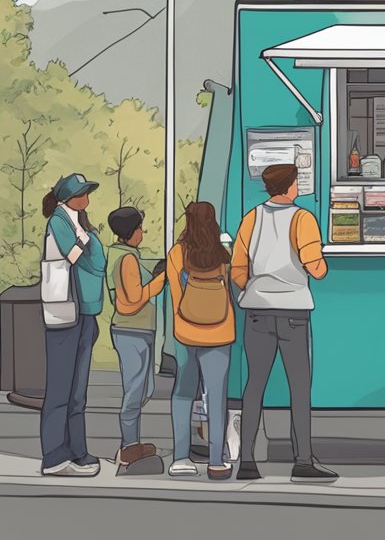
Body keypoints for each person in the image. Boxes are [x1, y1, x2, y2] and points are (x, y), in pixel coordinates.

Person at [232, 164, 334, 483]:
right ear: (290, 186)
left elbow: (237, 266)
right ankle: (302, 460)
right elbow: (315, 267)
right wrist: (321, 266)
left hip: (258, 311)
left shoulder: (252, 217)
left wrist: (252, 287)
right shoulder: (302, 219)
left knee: (254, 385)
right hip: (293, 311)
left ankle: (247, 460)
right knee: (299, 387)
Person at [39, 174, 107, 477]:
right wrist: (85, 238)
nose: (87, 197)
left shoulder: (79, 221)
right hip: (65, 312)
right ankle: (54, 454)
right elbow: (74, 256)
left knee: (78, 389)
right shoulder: (59, 222)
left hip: (84, 312)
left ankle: (78, 450)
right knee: (60, 388)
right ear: (69, 197)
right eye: (82, 193)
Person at [165, 202, 235, 480]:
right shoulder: (223, 255)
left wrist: (180, 324)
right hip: (220, 332)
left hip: (186, 332)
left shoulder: (177, 253)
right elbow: (230, 291)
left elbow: (173, 294)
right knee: (216, 398)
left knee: (183, 392)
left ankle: (181, 458)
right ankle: (216, 462)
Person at [105, 206, 168, 468]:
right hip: (132, 329)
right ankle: (128, 447)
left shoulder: (125, 254)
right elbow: (132, 299)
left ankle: (132, 442)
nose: (143, 232)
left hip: (138, 330)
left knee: (144, 387)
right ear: (131, 232)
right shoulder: (127, 259)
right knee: (135, 390)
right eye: (140, 228)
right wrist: (161, 279)